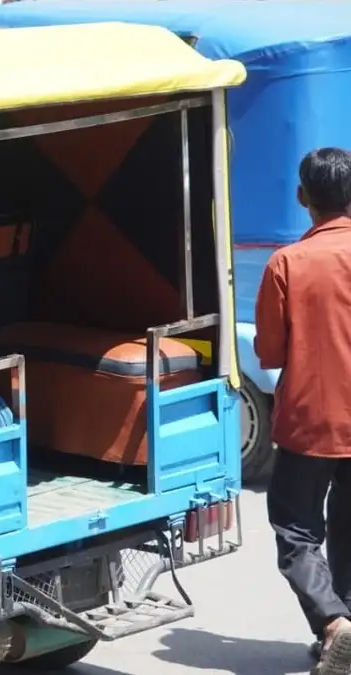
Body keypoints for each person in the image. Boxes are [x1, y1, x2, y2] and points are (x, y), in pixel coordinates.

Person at [256, 147, 351, 675]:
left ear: (302, 197)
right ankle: (345, 630)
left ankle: (334, 625)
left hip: (311, 420)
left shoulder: (287, 263)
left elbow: (269, 352)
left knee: (296, 530)